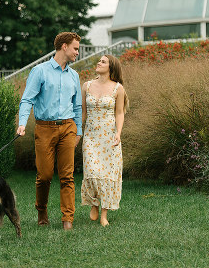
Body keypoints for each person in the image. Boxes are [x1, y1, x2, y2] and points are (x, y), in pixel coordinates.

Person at [16, 32, 83, 230]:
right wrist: (22, 123)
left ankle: (67, 219)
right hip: (44, 128)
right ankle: (42, 210)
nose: (77, 53)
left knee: (67, 175)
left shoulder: (74, 75)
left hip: (68, 128)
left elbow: (77, 106)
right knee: (44, 175)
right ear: (64, 46)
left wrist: (78, 130)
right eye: (75, 48)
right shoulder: (40, 71)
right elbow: (27, 99)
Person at [80, 54, 129, 226]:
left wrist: (118, 133)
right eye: (99, 60)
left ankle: (104, 214)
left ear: (111, 67)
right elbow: (83, 112)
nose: (99, 63)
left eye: (103, 61)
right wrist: (78, 131)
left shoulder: (118, 88)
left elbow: (119, 113)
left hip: (109, 136)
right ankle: (94, 202)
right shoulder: (86, 86)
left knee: (107, 174)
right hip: (91, 136)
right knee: (92, 170)